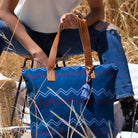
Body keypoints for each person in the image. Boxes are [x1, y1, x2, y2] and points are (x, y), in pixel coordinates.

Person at [0, 0, 137, 132]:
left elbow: (98, 11)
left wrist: (79, 23)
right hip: (26, 35)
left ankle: (128, 109)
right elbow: (4, 11)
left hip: (63, 36)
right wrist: (37, 53)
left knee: (108, 32)